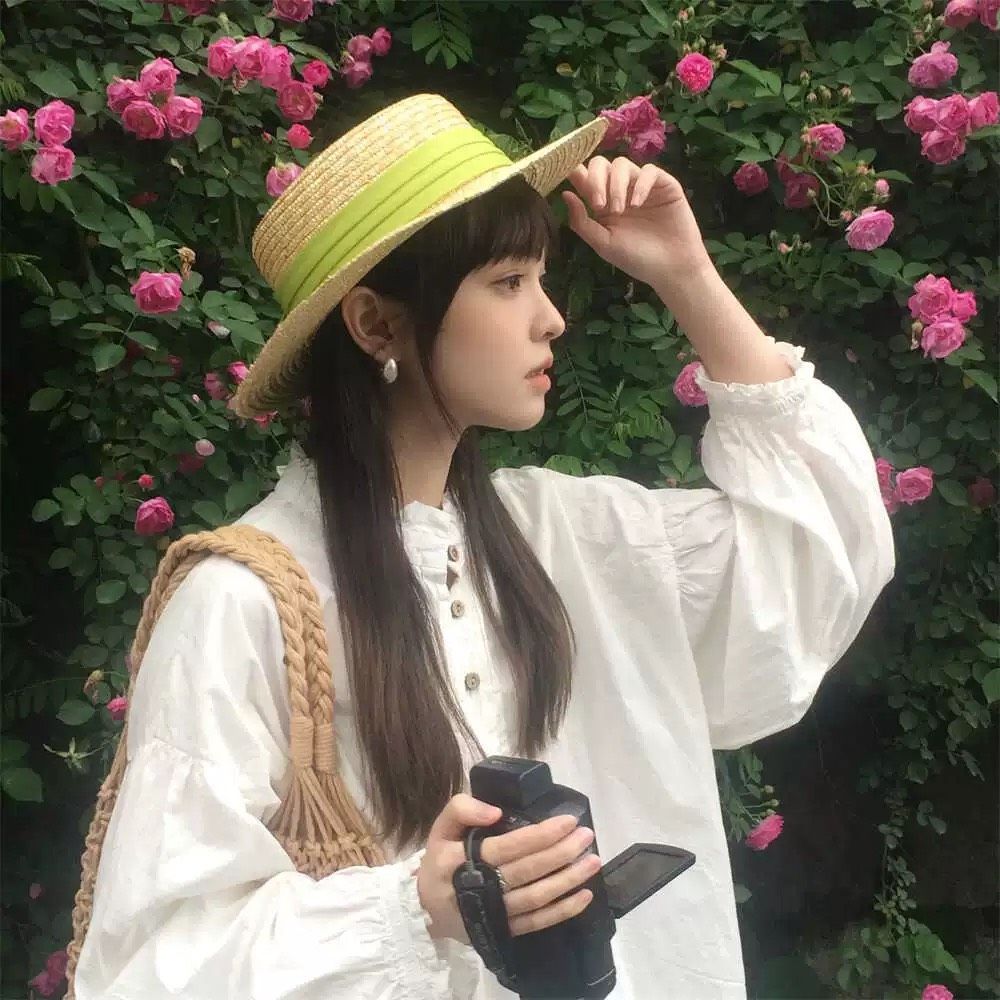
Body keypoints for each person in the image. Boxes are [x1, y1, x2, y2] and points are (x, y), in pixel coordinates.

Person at [72, 93, 895, 999]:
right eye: (508, 283)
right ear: (375, 325)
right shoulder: (245, 600)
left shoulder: (567, 539)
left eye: (541, 278)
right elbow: (151, 965)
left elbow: (817, 551)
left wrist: (688, 277)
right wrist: (414, 910)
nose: (551, 318)